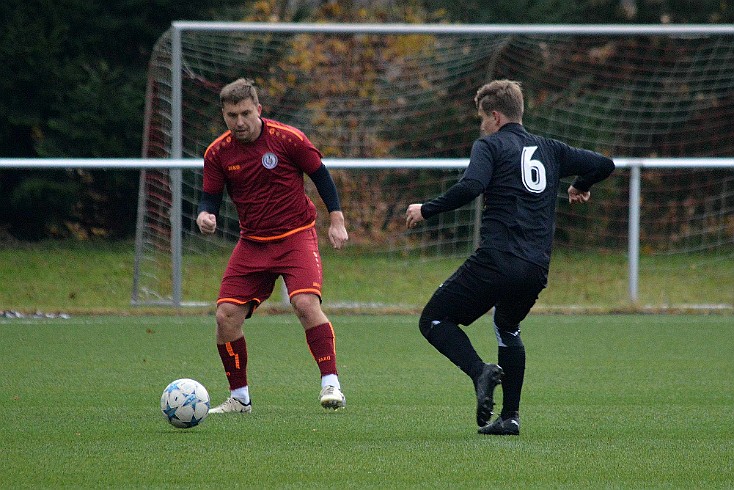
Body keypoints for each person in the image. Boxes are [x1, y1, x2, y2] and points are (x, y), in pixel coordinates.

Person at [405, 80, 614, 435]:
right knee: (507, 327)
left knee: (435, 320)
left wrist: (427, 209)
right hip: (535, 267)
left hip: (497, 260)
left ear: (496, 117)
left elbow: (471, 186)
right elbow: (604, 163)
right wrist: (581, 185)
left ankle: (479, 371)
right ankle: (510, 417)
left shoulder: (489, 146)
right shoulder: (551, 149)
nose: (481, 126)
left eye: (482, 119)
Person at [196, 78, 349, 413]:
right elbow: (209, 197)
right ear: (224, 115)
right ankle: (239, 399)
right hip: (252, 243)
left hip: (295, 236)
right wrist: (205, 215)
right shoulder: (218, 153)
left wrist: (336, 220)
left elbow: (320, 175)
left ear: (259, 110)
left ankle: (331, 384)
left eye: (246, 113)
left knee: (305, 304)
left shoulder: (288, 139)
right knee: (225, 317)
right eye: (232, 115)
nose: (239, 122)